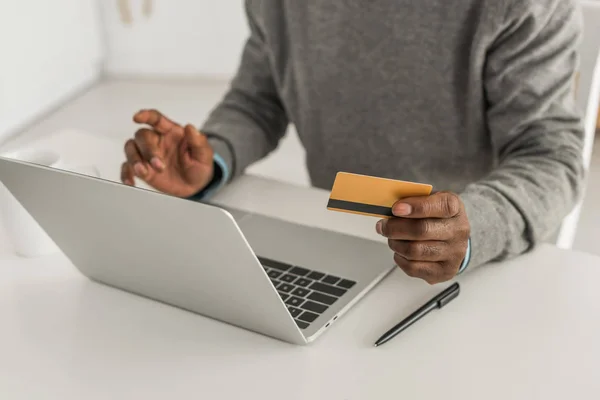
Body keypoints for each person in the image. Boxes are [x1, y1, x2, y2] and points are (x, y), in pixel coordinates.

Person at [120, 0, 585, 285]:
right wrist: (212, 157)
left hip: (467, 259)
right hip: (336, 230)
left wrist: (475, 227)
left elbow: (549, 156)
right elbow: (259, 99)